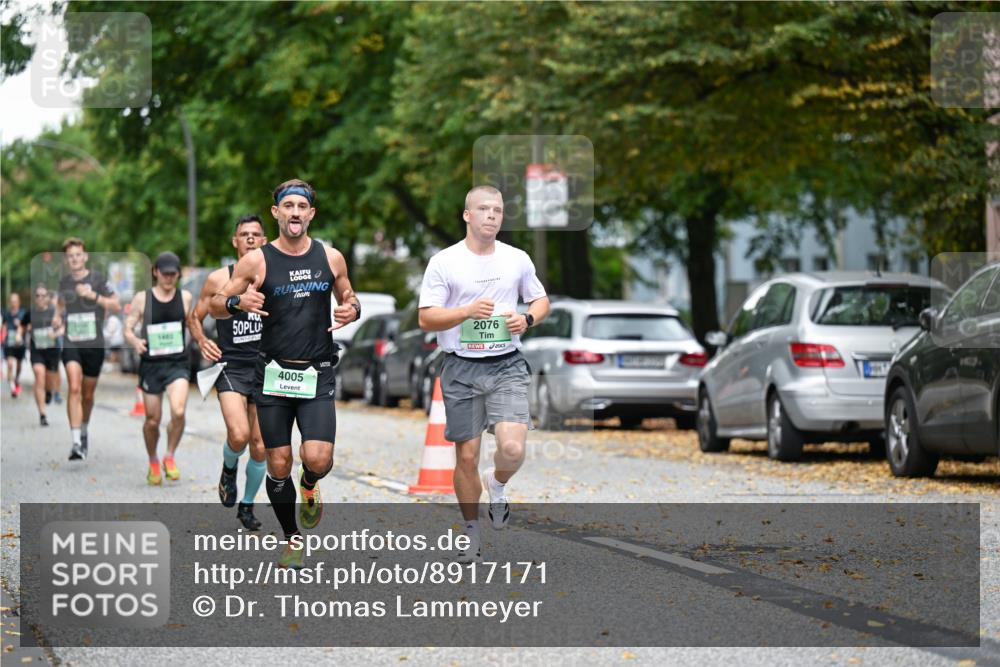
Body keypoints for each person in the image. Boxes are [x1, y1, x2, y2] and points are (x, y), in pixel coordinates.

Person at [210, 179, 360, 569]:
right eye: (287, 206)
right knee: (277, 465)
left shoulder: (331, 258)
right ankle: (292, 538)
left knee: (318, 458)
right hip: (272, 376)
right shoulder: (257, 260)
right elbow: (214, 304)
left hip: (317, 373)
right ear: (276, 213)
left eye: (301, 206)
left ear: (311, 214)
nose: (295, 212)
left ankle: (309, 486)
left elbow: (348, 295)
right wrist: (236, 301)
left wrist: (352, 309)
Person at [418, 185, 550, 563]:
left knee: (512, 448)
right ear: (467, 215)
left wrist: (527, 317)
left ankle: (498, 484)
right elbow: (426, 317)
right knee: (467, 457)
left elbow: (541, 300)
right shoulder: (444, 262)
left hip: (506, 363)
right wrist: (465, 312)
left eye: (498, 210)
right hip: (461, 366)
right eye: (484, 209)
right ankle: (472, 532)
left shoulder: (517, 259)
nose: (492, 215)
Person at [189, 214, 268, 530]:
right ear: (234, 241)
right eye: (244, 234)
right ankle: (228, 466)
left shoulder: (275, 275)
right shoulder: (218, 279)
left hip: (266, 368)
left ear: (264, 240)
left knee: (261, 445)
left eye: (256, 234)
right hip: (232, 366)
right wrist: (201, 340)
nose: (250, 238)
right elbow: (195, 316)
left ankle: (247, 506)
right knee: (239, 435)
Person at [123, 252, 193, 485]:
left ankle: (169, 456)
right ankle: (153, 460)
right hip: (151, 365)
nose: (169, 278)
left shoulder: (185, 298)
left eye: (173, 274)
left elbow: (193, 325)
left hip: (177, 363)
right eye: (165, 273)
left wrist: (203, 342)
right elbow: (128, 328)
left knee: (179, 411)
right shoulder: (142, 299)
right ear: (155, 272)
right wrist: (135, 341)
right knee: (153, 419)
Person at [54, 238, 121, 460]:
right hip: (72, 342)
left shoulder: (98, 279)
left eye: (78, 255)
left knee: (87, 394)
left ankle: (83, 430)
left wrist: (92, 295)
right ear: (67, 260)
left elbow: (116, 304)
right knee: (73, 387)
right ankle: (75, 443)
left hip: (94, 344)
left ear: (85, 256)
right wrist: (56, 318)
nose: (74, 259)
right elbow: (60, 304)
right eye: (70, 256)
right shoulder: (64, 283)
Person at [24, 284, 63, 426]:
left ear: (48, 298)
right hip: (37, 350)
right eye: (37, 296)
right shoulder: (30, 313)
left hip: (52, 351)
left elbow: (63, 327)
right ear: (35, 299)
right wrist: (19, 334)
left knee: (49, 380)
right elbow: (22, 326)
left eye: (43, 295)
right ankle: (42, 414)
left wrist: (56, 333)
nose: (40, 298)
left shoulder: (54, 312)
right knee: (39, 375)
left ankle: (49, 391)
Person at [2, 292, 27, 398]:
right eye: (11, 301)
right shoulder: (6, 314)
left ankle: (16, 378)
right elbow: (3, 325)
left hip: (20, 344)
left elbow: (28, 327)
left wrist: (21, 325)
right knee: (10, 364)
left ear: (19, 302)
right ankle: (13, 388)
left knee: (19, 365)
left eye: (15, 301)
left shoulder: (23, 313)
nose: (13, 303)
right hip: (9, 343)